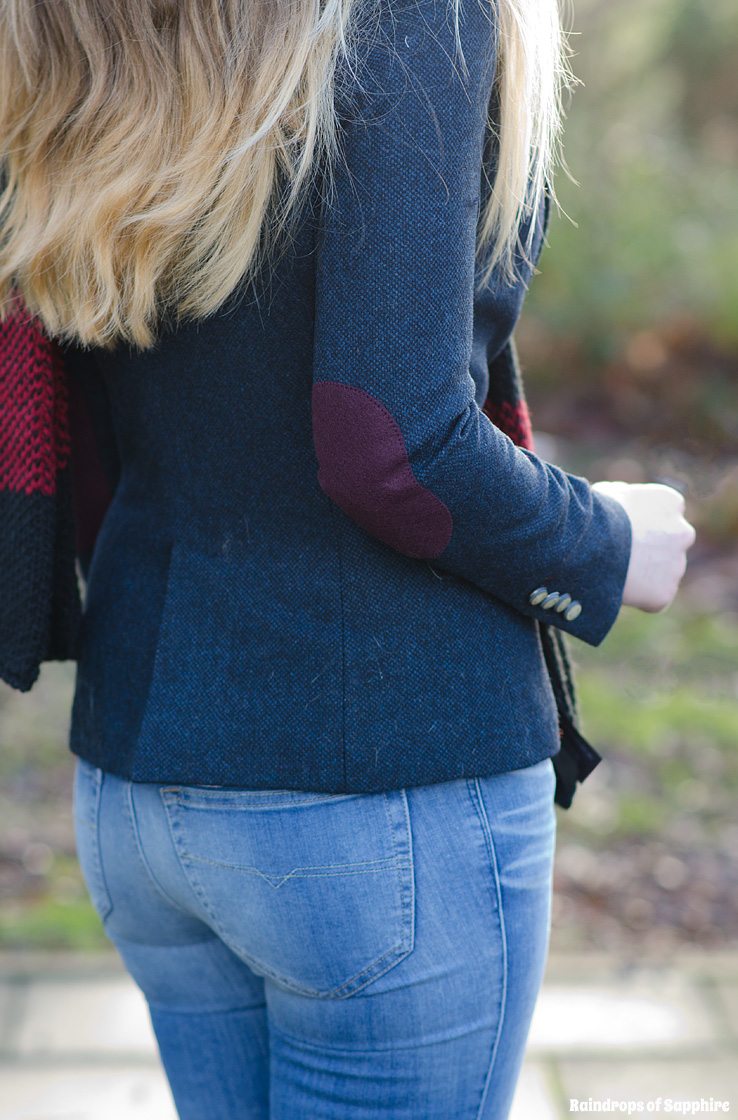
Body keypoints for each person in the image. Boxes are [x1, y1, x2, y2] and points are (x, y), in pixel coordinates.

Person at [0, 0, 696, 1116]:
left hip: (138, 789)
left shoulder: (98, 23)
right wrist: (604, 544)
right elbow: (389, 441)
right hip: (378, 797)